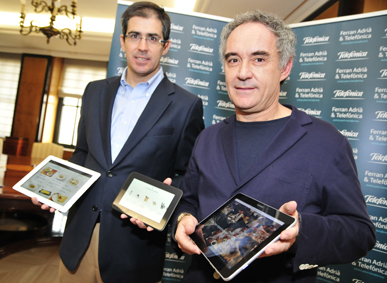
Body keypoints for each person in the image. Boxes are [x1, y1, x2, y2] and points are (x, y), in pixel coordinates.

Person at [172, 10, 376, 283]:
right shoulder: (207, 138)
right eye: (234, 59)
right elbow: (189, 200)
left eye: (259, 59)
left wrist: (300, 230)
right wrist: (183, 217)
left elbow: (359, 233)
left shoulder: (325, 141)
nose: (243, 73)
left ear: (285, 67)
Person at [33, 2, 204, 282]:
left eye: (153, 38)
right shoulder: (95, 91)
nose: (143, 46)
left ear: (166, 46)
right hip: (80, 236)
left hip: (135, 247)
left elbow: (188, 174)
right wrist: (56, 185)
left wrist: (163, 202)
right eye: (135, 36)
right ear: (122, 41)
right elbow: (83, 153)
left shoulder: (186, 106)